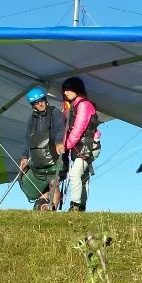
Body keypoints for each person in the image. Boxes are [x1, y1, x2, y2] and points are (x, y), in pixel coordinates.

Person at [19, 87, 66, 210]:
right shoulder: (32, 118)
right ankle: (42, 206)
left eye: (41, 100)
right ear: (32, 105)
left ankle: (53, 207)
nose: (40, 104)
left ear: (45, 100)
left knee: (53, 182)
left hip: (53, 155)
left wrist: (59, 142)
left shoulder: (55, 113)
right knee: (41, 184)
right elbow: (27, 138)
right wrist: (24, 156)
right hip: (38, 159)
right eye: (36, 102)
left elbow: (61, 128)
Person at [61, 77, 98, 212]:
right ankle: (81, 207)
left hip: (88, 145)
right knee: (83, 177)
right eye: (64, 91)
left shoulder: (84, 105)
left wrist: (67, 145)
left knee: (75, 174)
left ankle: (75, 206)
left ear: (76, 90)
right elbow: (69, 128)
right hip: (81, 145)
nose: (65, 93)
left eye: (68, 90)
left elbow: (79, 127)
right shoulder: (73, 106)